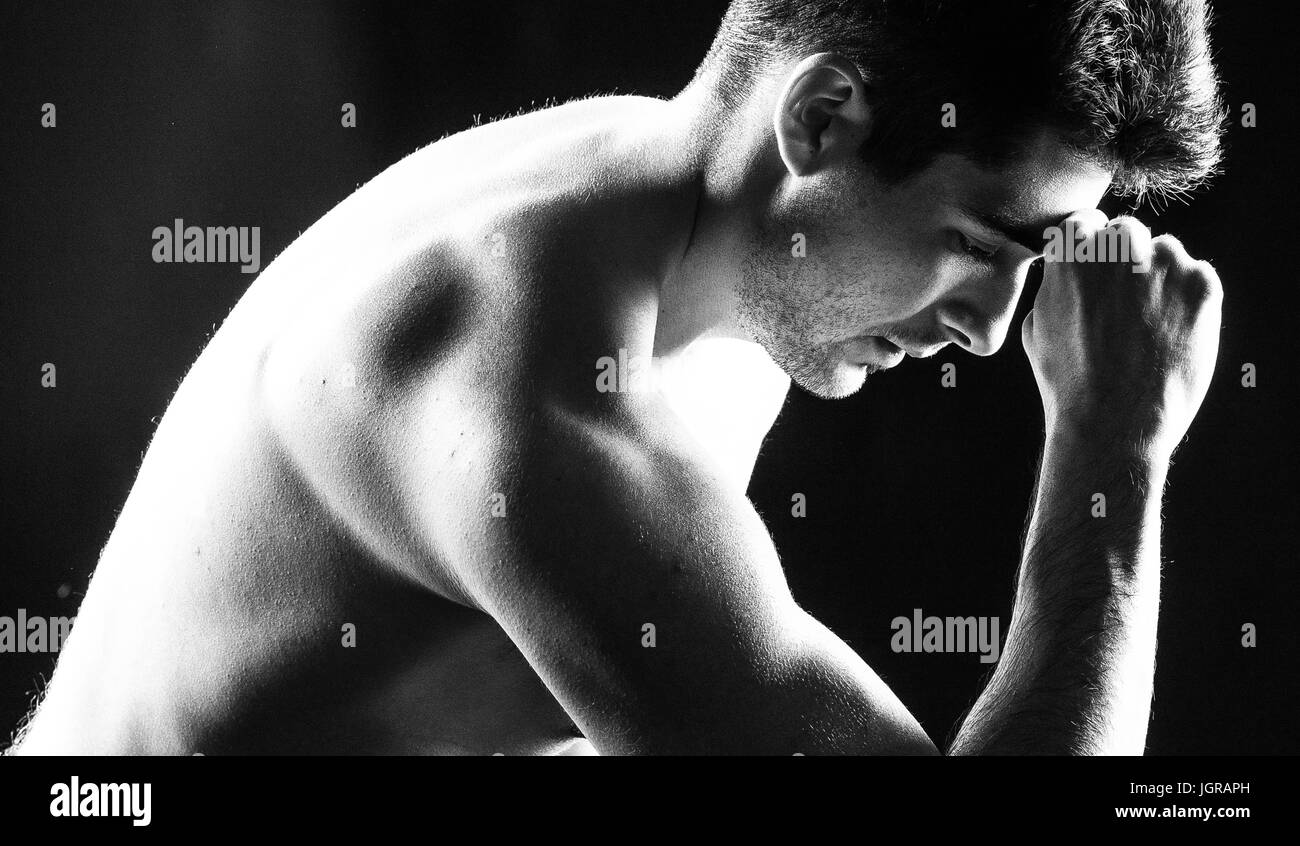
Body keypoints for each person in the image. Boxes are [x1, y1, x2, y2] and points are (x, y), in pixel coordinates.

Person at [7, 0, 1226, 755]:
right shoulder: (536, 398)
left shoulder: (678, 220)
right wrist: (1113, 443)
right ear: (824, 118)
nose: (990, 330)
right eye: (975, 245)